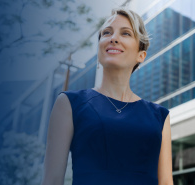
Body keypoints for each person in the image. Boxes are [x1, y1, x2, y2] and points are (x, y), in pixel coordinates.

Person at [41, 7, 173, 185]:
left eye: (125, 33)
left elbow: (166, 182)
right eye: (106, 33)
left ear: (141, 55)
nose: (113, 38)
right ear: (100, 49)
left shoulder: (160, 116)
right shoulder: (69, 103)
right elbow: (52, 181)